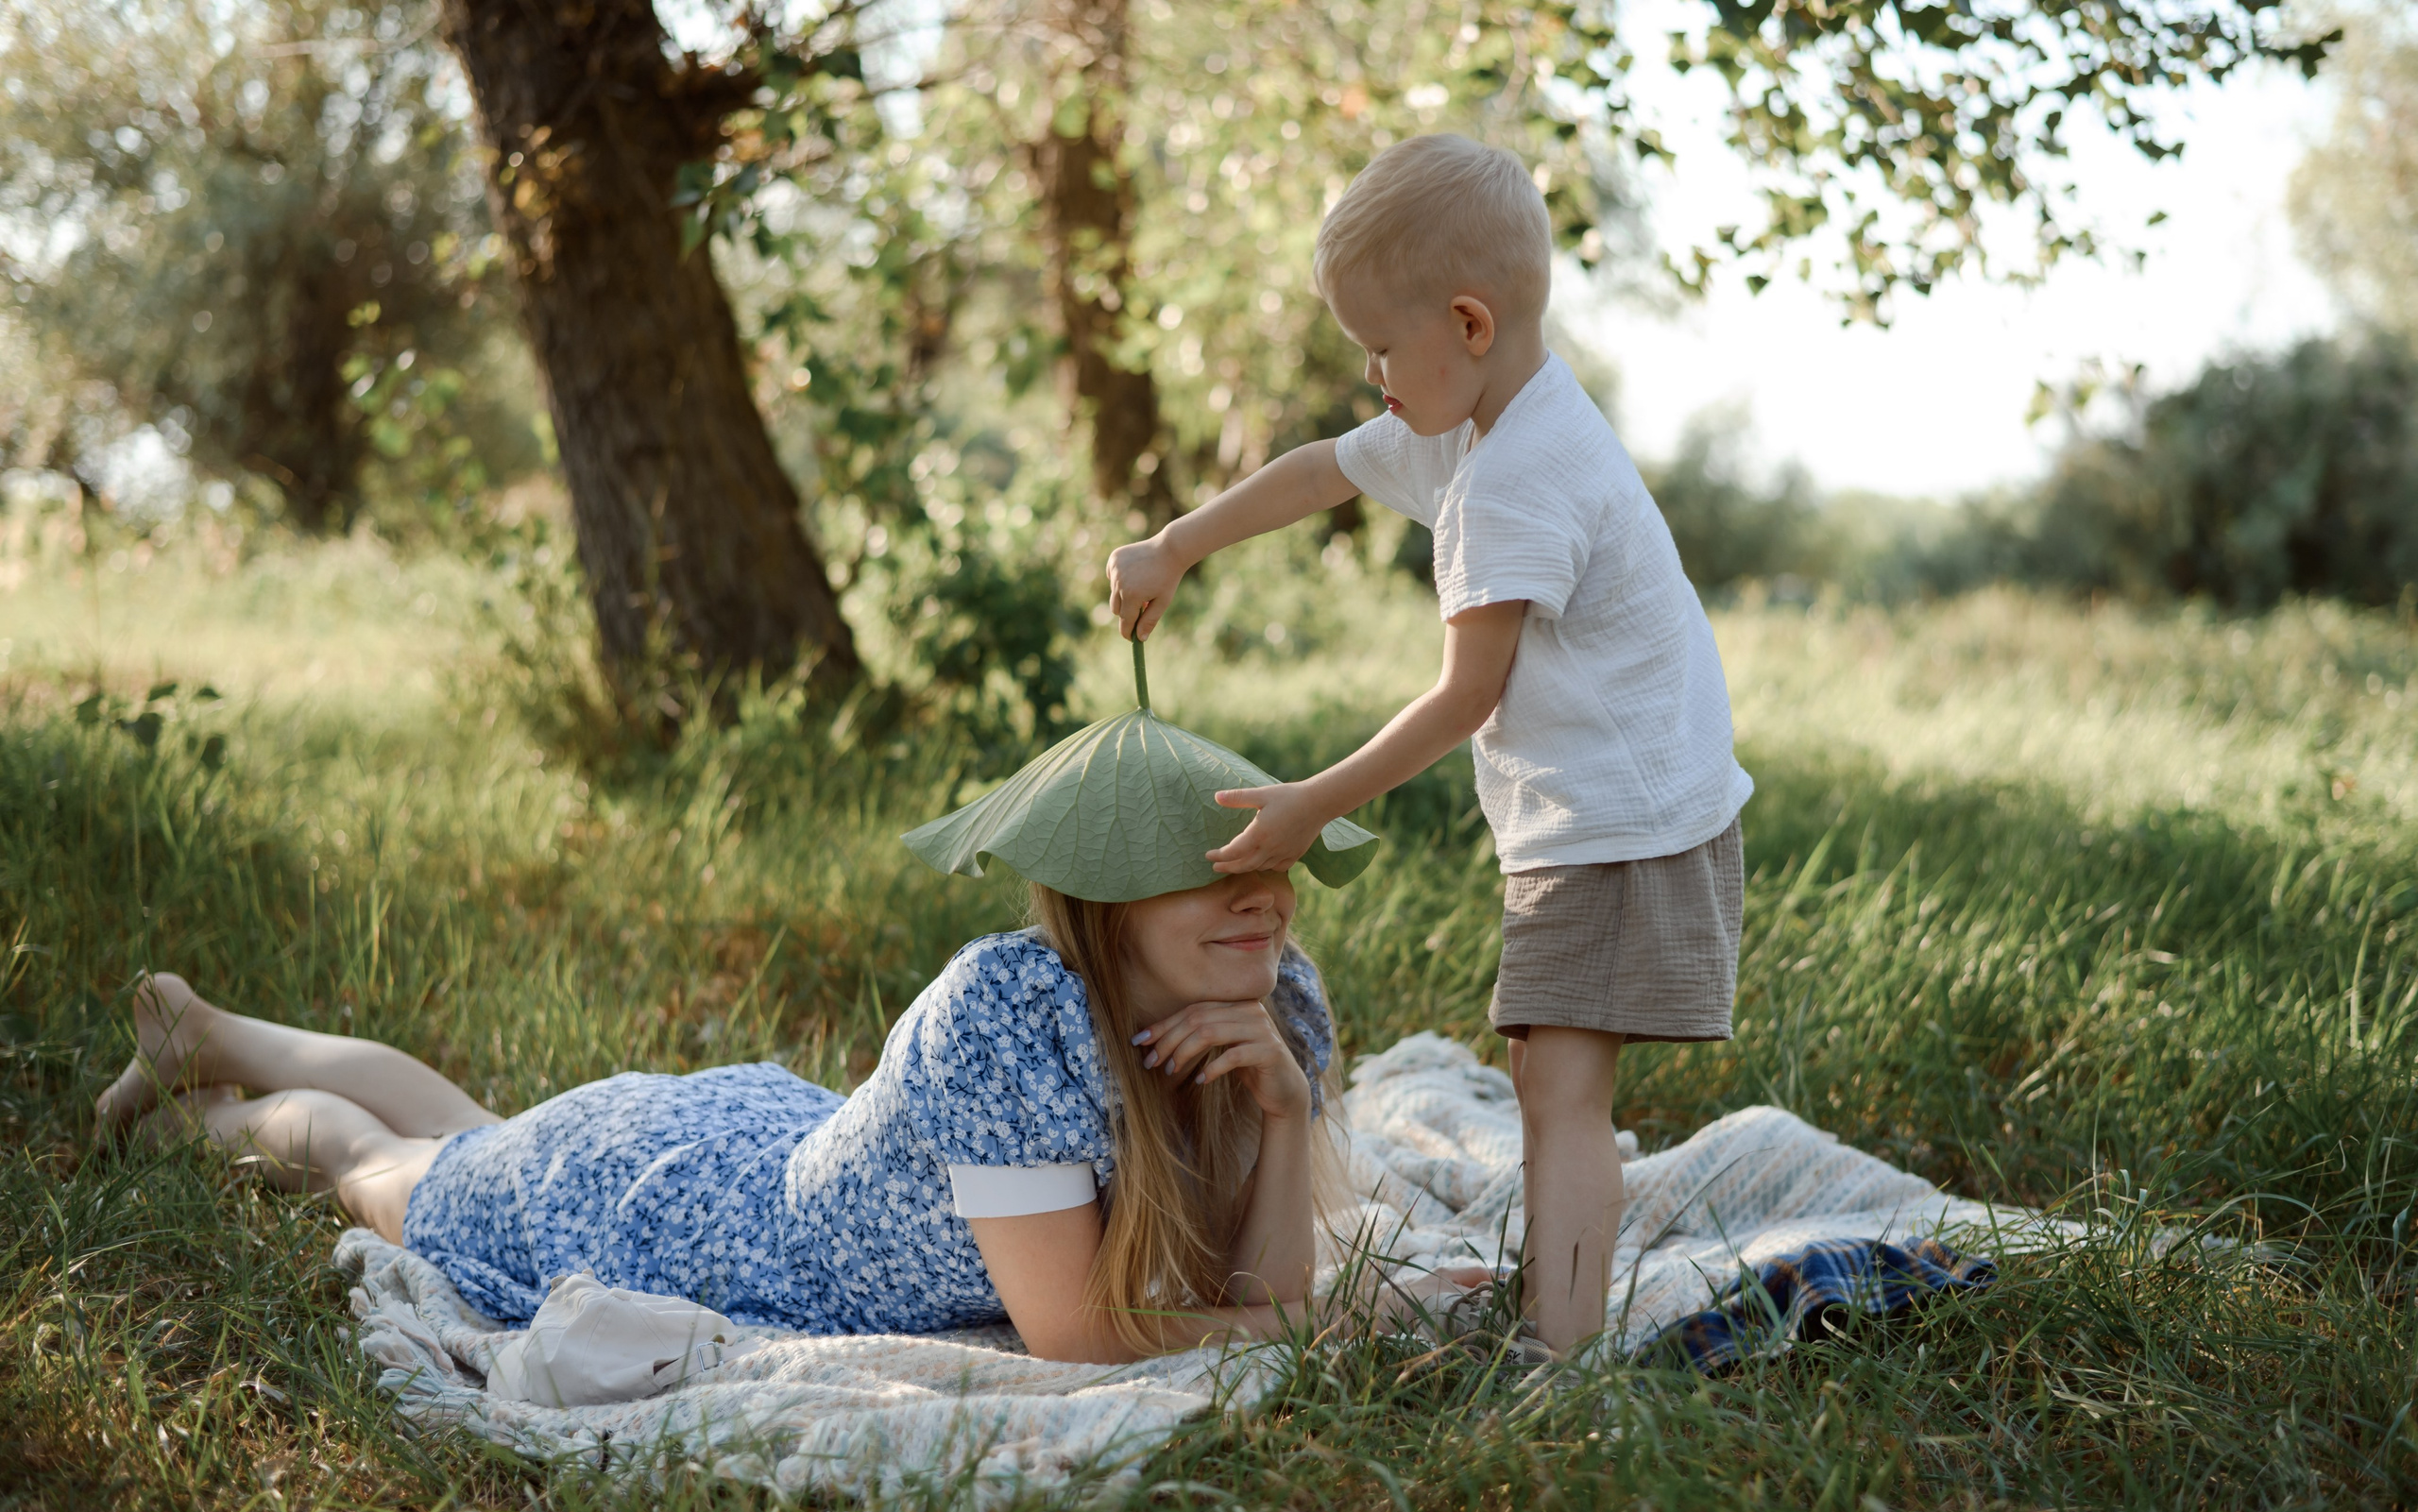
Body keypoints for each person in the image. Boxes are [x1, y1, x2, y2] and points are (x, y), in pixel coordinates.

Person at [1105, 133, 1755, 1355]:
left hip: (1622, 825)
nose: (1370, 377)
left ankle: (1561, 1359)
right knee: (1548, 1078)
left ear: (1466, 322)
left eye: (1379, 348)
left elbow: (1465, 697)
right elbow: (1324, 472)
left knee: (1565, 1094)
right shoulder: (1481, 420)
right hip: (1607, 810)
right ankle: (1555, 1309)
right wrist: (1177, 544)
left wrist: (1312, 801)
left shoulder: (1515, 480)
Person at [95, 871, 1471, 1364]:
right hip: (690, 1223)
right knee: (391, 1165)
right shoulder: (1009, 1011)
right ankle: (213, 1121)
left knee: (473, 1136)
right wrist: (1321, 1324)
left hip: (767, 1146)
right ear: (1110, 899)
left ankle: (212, 1034)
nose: (1264, 896)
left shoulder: (1272, 1000)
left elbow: (1252, 1292)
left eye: (1276, 857)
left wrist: (1282, 1113)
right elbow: (1079, 1336)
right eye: (1216, 869)